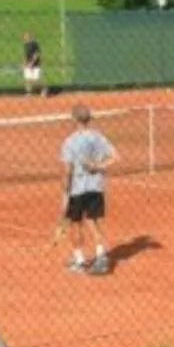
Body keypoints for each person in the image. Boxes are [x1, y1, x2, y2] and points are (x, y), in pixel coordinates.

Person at [51, 104, 117, 275]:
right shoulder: (98, 137)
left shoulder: (70, 142)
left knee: (75, 224)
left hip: (77, 189)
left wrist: (65, 190)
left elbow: (68, 170)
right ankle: (101, 256)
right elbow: (115, 157)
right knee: (92, 222)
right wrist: (98, 166)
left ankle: (79, 260)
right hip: (96, 187)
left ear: (74, 119)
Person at [20, 31, 44, 98]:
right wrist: (24, 63)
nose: (25, 38)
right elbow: (26, 56)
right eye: (24, 37)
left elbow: (36, 54)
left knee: (37, 79)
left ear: (30, 37)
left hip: (36, 64)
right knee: (28, 79)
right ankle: (29, 93)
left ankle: (44, 90)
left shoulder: (34, 44)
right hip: (28, 64)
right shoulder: (25, 45)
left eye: (26, 37)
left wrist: (32, 63)